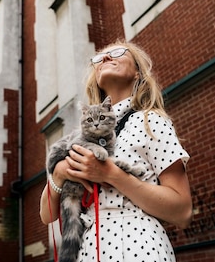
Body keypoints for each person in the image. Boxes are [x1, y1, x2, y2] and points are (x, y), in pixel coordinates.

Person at [39, 40, 192, 262]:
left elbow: (183, 212)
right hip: (86, 248)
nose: (106, 58)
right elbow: (47, 215)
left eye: (118, 53)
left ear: (137, 73)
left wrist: (111, 175)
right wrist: (60, 173)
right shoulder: (79, 135)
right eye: (99, 59)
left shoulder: (150, 120)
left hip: (136, 245)